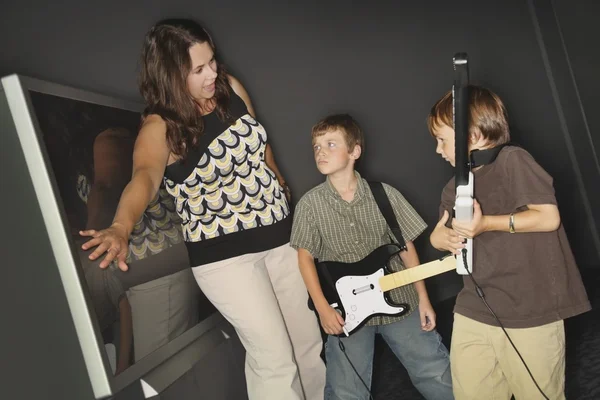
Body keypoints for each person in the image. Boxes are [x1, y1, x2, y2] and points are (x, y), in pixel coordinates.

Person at [80, 18, 325, 400]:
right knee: (274, 357)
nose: (212, 73)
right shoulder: (159, 128)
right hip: (226, 260)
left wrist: (275, 176)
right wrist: (120, 227)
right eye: (198, 69)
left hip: (279, 238)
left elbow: (259, 140)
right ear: (172, 76)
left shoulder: (230, 88)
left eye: (212, 61)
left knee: (307, 343)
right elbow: (142, 179)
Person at [427, 85, 591, 400]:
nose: (437, 149)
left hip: (530, 309)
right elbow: (440, 232)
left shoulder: (513, 160)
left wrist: (487, 223)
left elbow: (547, 217)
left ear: (471, 136)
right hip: (475, 309)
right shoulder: (455, 186)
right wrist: (441, 238)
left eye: (441, 139)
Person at [290, 114, 453, 400]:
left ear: (354, 151)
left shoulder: (384, 194)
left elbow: (406, 248)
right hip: (345, 312)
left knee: (434, 371)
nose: (321, 151)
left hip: (401, 299)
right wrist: (323, 309)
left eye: (330, 144)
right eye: (316, 146)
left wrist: (424, 299)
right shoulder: (310, 205)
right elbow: (305, 259)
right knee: (345, 390)